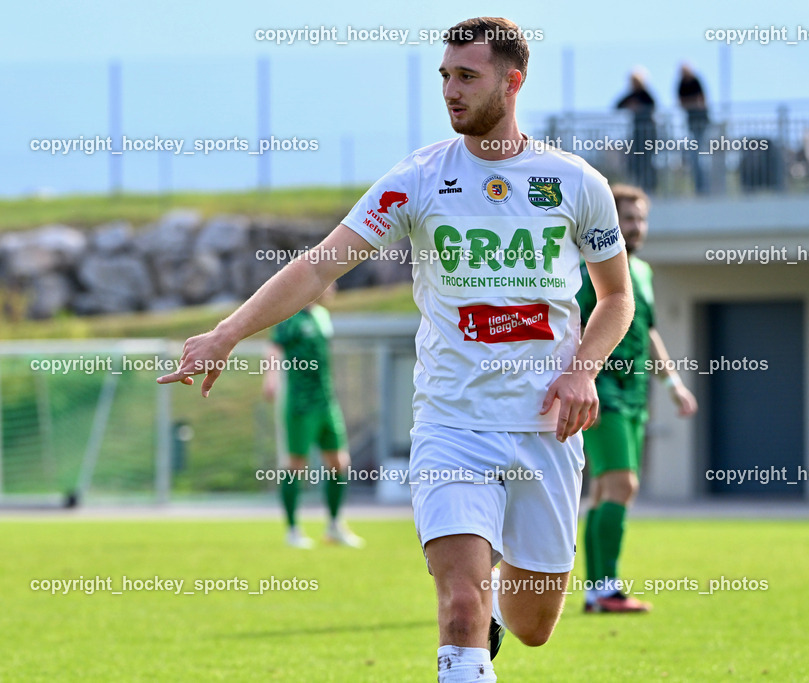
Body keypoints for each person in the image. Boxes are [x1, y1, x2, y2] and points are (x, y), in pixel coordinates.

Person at [158, 16, 633, 683]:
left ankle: (499, 600)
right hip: (452, 428)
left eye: (467, 76)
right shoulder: (417, 179)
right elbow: (320, 267)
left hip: (545, 429)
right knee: (461, 607)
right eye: (444, 76)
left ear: (512, 80)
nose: (451, 90)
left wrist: (582, 369)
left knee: (533, 626)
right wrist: (227, 332)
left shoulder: (576, 182)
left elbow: (615, 297)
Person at [577, 184, 697, 613]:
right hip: (601, 389)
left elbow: (646, 331)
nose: (636, 227)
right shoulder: (587, 265)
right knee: (622, 484)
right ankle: (604, 589)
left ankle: (597, 592)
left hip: (635, 393)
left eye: (641, 219)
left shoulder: (641, 272)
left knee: (607, 490)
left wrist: (673, 384)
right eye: (628, 219)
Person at [262, 285, 363, 549]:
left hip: (326, 402)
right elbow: (274, 347)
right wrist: (270, 378)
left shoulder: (322, 316)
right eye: (329, 282)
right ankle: (293, 529)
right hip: (300, 403)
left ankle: (334, 525)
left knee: (339, 462)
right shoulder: (291, 317)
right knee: (296, 464)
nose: (334, 287)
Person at [616, 68, 658, 193]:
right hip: (637, 134)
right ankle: (638, 186)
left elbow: (652, 106)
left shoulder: (646, 94)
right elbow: (618, 105)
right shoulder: (632, 95)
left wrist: (638, 108)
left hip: (648, 134)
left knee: (647, 161)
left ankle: (650, 188)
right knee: (635, 161)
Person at [677, 65, 710, 194]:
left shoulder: (696, 81)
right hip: (691, 124)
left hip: (702, 123)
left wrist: (691, 103)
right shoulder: (681, 84)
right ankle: (699, 188)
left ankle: (704, 189)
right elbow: (682, 102)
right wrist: (692, 103)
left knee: (702, 156)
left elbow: (701, 101)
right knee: (694, 157)